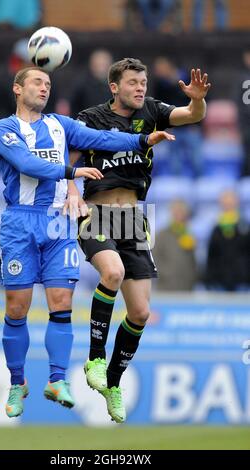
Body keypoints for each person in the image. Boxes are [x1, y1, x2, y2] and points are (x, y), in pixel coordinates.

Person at [0, 66, 169, 418]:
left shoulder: (61, 124)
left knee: (61, 302)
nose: (44, 88)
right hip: (20, 221)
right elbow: (27, 164)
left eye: (48, 84)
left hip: (58, 222)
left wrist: (141, 140)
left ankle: (58, 379)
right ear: (17, 88)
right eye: (37, 82)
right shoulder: (5, 129)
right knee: (17, 307)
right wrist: (72, 173)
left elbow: (101, 138)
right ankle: (17, 382)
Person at [77, 58, 210, 423]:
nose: (141, 88)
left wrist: (197, 101)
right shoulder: (90, 118)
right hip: (96, 214)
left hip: (133, 219)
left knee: (139, 312)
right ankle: (95, 358)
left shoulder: (151, 111)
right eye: (133, 82)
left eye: (144, 82)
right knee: (113, 273)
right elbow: (65, 158)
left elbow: (192, 115)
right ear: (114, 87)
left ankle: (113, 384)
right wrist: (69, 193)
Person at [205, 190, 250, 291]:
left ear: (237, 203)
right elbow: (211, 256)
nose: (228, 205)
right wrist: (209, 279)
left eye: (231, 202)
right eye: (225, 203)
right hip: (219, 282)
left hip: (243, 282)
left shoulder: (245, 226)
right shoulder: (216, 228)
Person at [152, 200, 198, 291]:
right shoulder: (162, 235)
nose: (179, 215)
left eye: (181, 212)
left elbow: (193, 261)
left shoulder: (189, 234)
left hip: (186, 287)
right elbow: (154, 259)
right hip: (166, 287)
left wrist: (191, 277)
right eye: (176, 212)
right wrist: (167, 273)